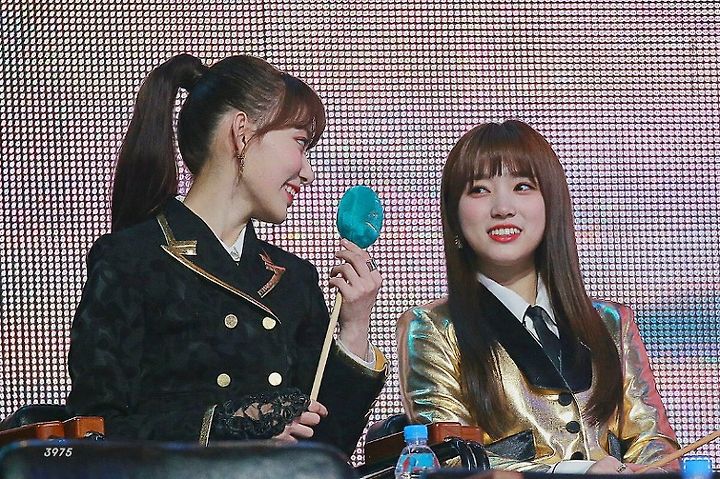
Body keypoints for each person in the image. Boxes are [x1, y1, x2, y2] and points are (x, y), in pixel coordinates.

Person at [66, 54, 387, 457]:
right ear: (241, 133)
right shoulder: (130, 259)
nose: (308, 172)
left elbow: (327, 449)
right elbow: (95, 432)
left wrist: (354, 328)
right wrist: (230, 428)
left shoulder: (295, 279)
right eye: (300, 143)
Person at [397, 120, 679, 473]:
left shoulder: (611, 322)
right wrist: (573, 473)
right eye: (479, 190)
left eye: (522, 186)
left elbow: (653, 441)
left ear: (552, 203)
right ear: (453, 215)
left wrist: (653, 472)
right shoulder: (431, 328)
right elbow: (451, 458)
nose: (503, 208)